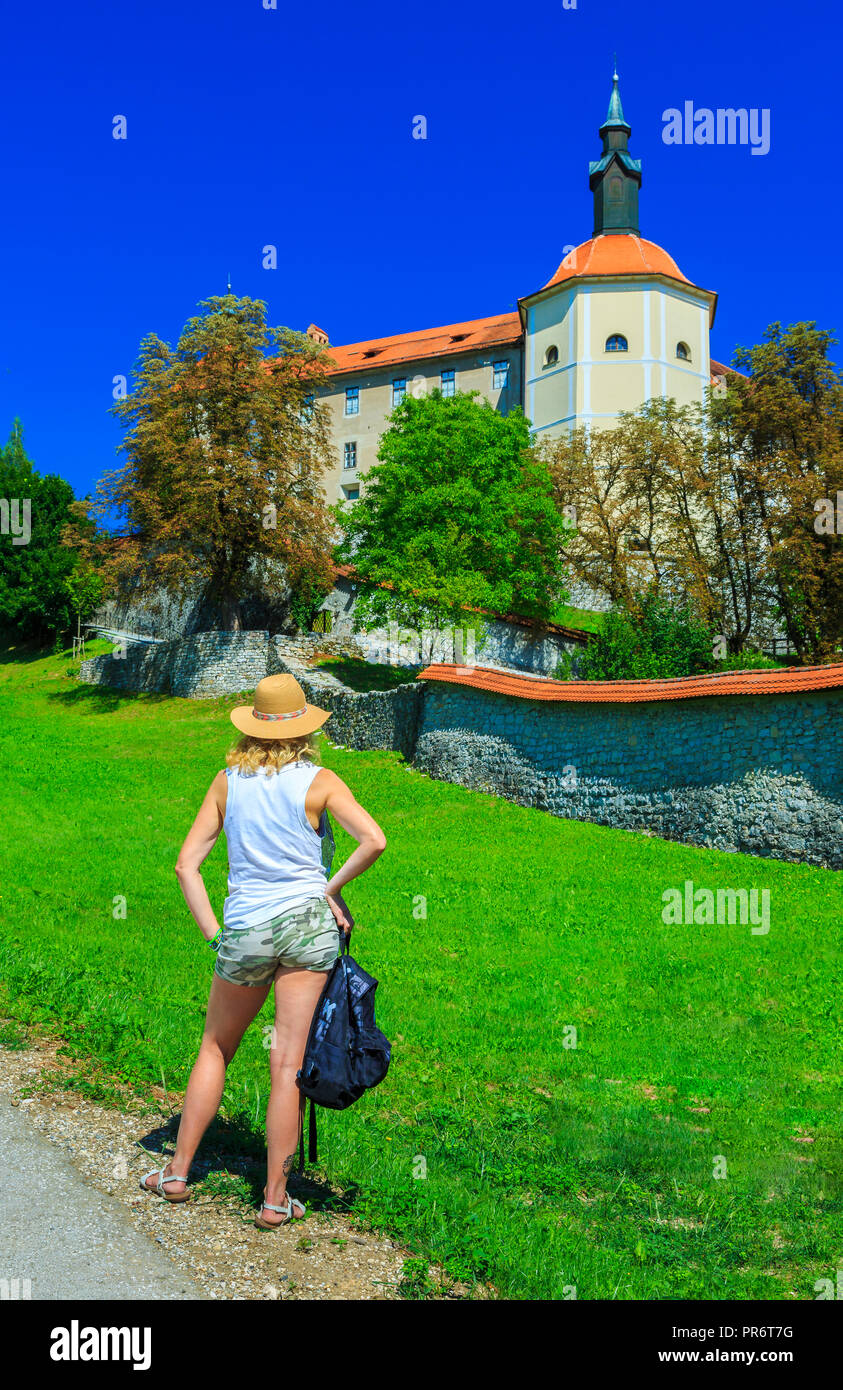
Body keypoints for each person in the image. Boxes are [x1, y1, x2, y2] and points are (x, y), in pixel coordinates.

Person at [139, 673, 387, 1226]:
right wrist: (330, 888)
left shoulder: (227, 782)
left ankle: (177, 1173)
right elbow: (375, 839)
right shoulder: (321, 782)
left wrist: (214, 933)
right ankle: (276, 1198)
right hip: (307, 928)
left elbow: (186, 866)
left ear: (252, 728)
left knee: (216, 1048)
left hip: (246, 928)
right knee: (288, 1064)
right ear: (305, 729)